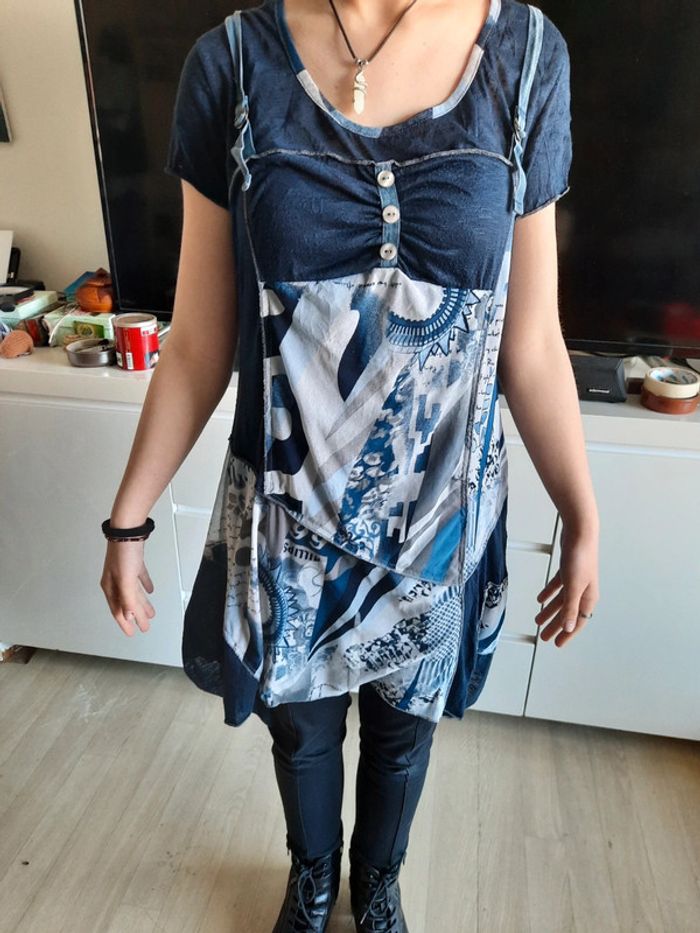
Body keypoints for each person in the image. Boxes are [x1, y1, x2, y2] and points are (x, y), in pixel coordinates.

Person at [100, 0, 600, 930]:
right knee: (302, 735)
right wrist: (128, 518)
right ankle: (313, 877)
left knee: (404, 736)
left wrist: (582, 511)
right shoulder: (232, 64)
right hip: (284, 522)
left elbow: (531, 341)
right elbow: (200, 338)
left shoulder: (526, 55)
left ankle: (378, 884)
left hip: (442, 518)